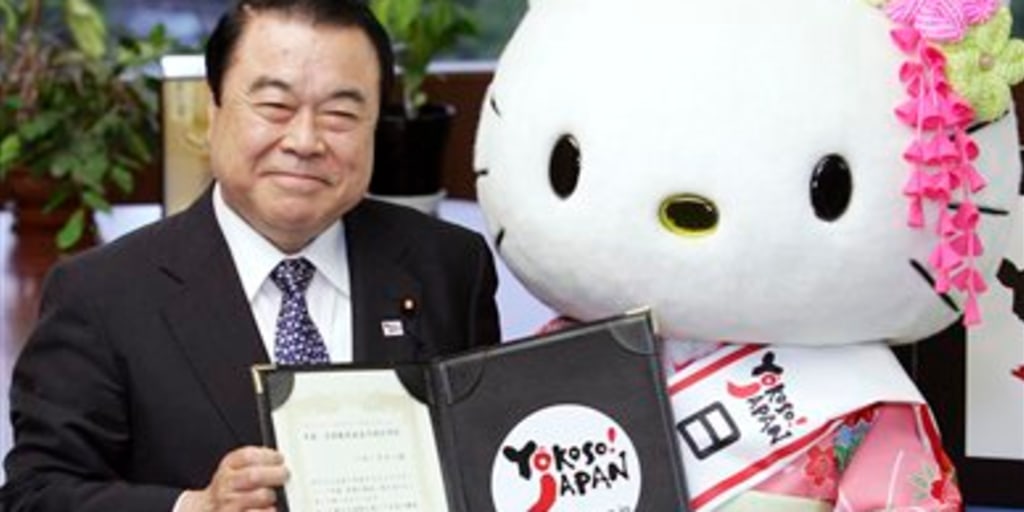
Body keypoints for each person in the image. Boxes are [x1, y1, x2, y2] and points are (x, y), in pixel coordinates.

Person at [1, 0, 501, 510]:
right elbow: (36, 493)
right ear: (213, 108)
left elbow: (483, 462)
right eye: (275, 107)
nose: (305, 141)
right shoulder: (102, 295)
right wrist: (193, 507)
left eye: (341, 113)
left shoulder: (450, 266)